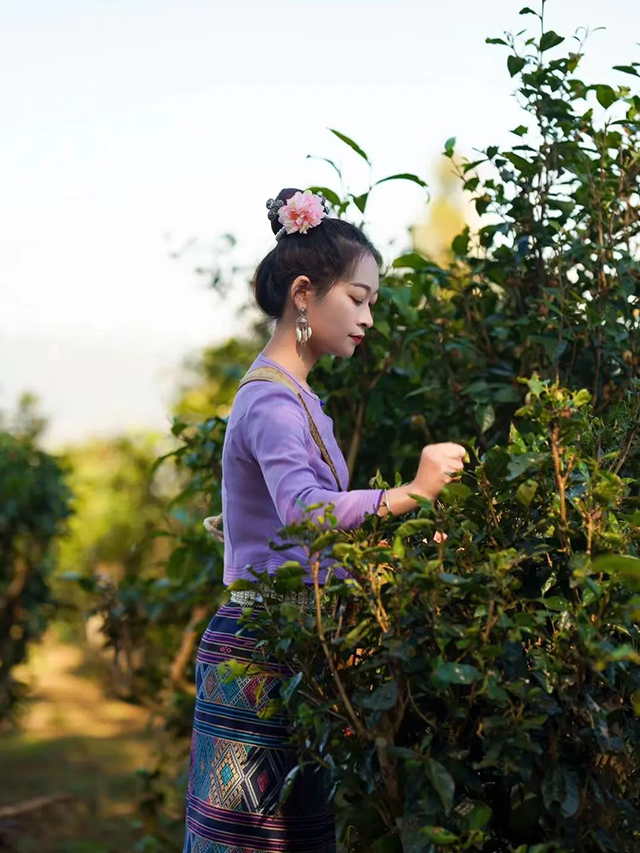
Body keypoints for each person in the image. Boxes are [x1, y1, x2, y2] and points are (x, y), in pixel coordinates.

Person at [182, 187, 465, 853]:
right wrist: (415, 492)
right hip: (260, 655)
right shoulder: (275, 401)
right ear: (304, 293)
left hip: (283, 648)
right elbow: (309, 511)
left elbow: (284, 516)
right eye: (359, 298)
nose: (369, 316)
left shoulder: (289, 394)